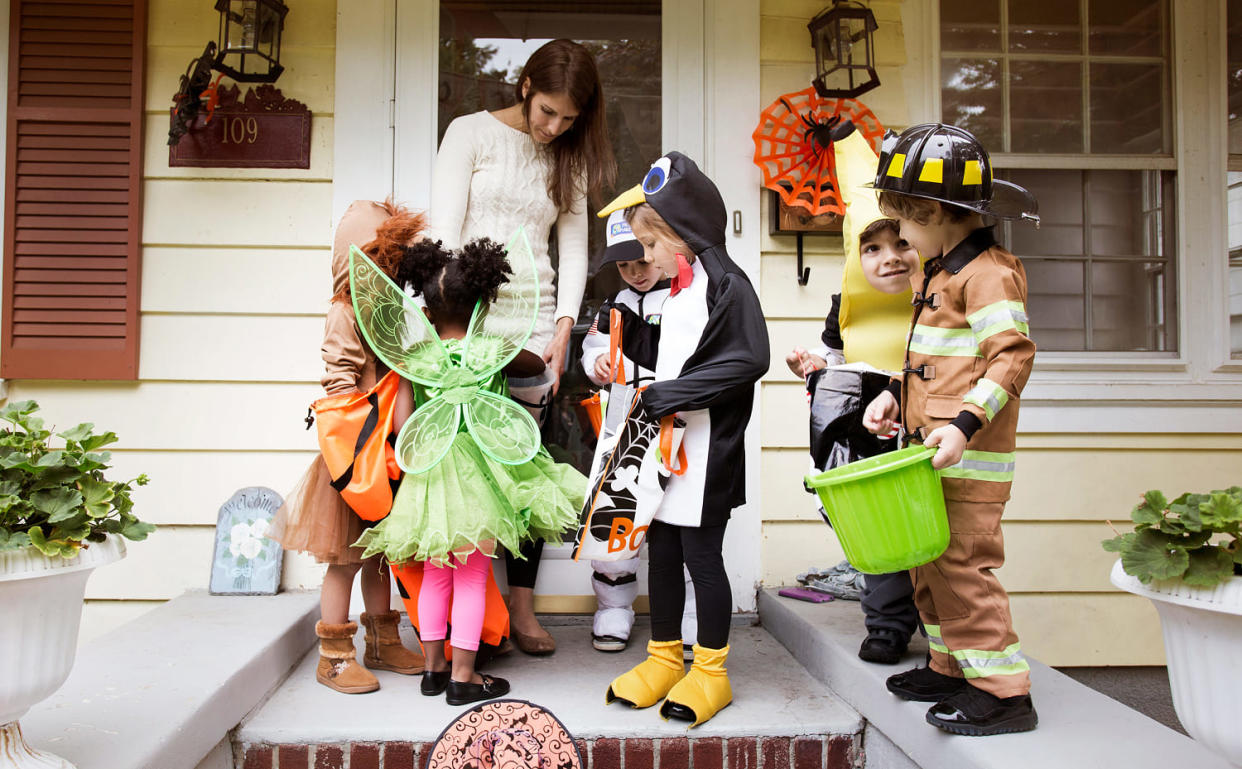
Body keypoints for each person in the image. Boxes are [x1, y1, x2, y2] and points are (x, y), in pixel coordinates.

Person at [430, 39, 616, 654]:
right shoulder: (469, 135)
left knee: (526, 471)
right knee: (472, 477)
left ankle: (523, 608)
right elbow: (443, 233)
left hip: (534, 331)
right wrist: (453, 332)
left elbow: (572, 247)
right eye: (547, 113)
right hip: (471, 328)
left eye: (568, 119)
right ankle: (473, 621)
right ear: (525, 86)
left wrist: (564, 327)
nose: (554, 127)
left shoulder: (569, 156)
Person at [862, 123, 1040, 735]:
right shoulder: (937, 273)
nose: (900, 236)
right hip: (929, 457)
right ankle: (950, 666)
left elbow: (1011, 356)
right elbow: (933, 361)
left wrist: (965, 423)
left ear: (933, 210)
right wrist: (891, 394)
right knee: (928, 564)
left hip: (968, 459)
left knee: (962, 566)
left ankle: (1003, 689)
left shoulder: (987, 274)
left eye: (902, 221)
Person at [352, 237, 584, 706]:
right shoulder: (492, 351)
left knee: (437, 574)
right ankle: (465, 676)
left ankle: (433, 669)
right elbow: (536, 362)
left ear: (429, 310)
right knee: (473, 576)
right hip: (480, 482)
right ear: (482, 302)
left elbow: (400, 427)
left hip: (431, 481)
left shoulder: (417, 362)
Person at [596, 152, 769, 727]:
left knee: (702, 557)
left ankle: (712, 671)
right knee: (664, 555)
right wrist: (625, 334)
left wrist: (673, 396)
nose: (644, 259)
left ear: (682, 235)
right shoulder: (680, 293)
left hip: (707, 453)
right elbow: (672, 355)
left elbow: (748, 358)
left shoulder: (728, 284)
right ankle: (666, 657)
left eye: (650, 247)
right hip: (669, 451)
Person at [267, 200, 427, 694]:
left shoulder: (386, 314)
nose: (392, 274)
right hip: (354, 456)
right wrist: (360, 431)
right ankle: (334, 655)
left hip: (386, 447)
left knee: (381, 551)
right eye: (385, 263)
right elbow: (339, 380)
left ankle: (382, 639)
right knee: (346, 557)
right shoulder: (345, 311)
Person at [783, 121, 921, 666]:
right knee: (878, 531)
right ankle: (887, 624)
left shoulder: (937, 303)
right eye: (873, 247)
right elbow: (839, 363)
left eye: (901, 243)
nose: (889, 257)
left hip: (928, 432)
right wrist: (818, 368)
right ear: (854, 257)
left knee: (932, 534)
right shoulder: (846, 310)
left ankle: (937, 624)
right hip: (866, 438)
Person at [580, 211, 697, 656]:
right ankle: (613, 609)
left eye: (642, 262)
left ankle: (688, 615)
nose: (635, 272)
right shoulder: (614, 306)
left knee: (681, 520)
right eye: (625, 266)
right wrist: (597, 366)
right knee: (615, 521)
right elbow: (592, 349)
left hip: (680, 425)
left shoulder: (688, 297)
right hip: (625, 425)